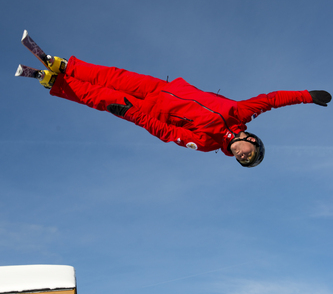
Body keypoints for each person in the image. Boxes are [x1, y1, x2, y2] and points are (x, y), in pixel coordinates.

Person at [37, 55, 331, 168]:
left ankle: (58, 83)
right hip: (161, 88)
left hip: (148, 110)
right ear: (252, 140)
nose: (242, 156)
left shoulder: (207, 144)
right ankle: (67, 67)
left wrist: (132, 114)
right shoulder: (240, 113)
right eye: (248, 154)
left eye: (243, 160)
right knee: (114, 75)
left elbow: (167, 133)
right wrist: (307, 96)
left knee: (103, 98)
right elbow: (271, 99)